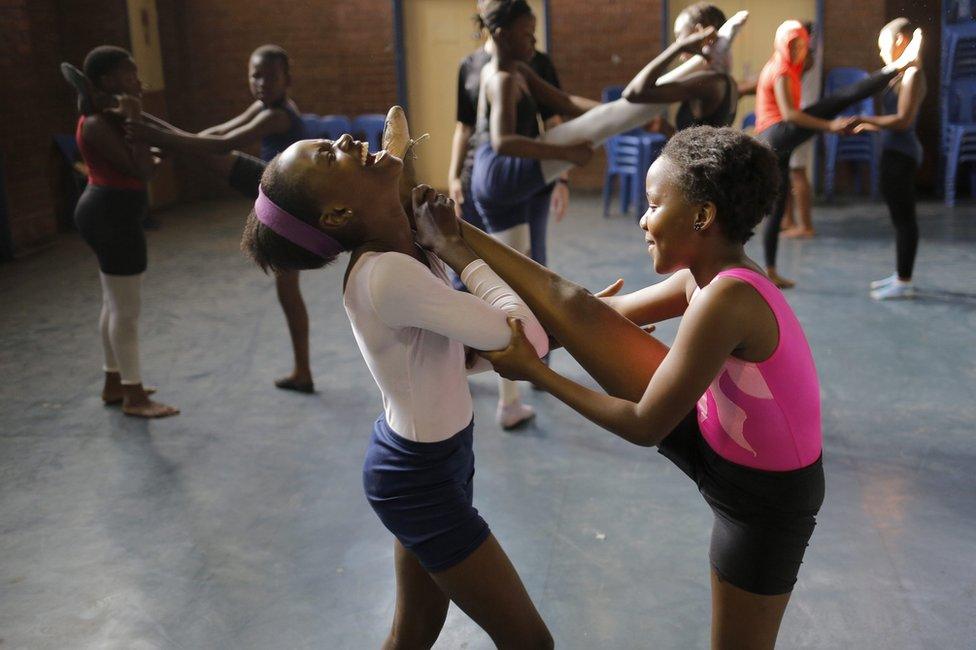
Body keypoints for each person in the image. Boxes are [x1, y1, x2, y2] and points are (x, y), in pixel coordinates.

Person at [414, 126, 823, 649]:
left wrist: (538, 372)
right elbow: (585, 310)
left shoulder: (729, 300)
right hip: (713, 438)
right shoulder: (701, 278)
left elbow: (644, 425)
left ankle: (455, 240)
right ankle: (455, 236)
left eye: (654, 204)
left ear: (702, 217)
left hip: (765, 504)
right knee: (579, 309)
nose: (643, 219)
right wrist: (556, 326)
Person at [239, 132, 556, 648]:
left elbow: (462, 354)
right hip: (419, 479)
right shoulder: (387, 274)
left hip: (436, 458)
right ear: (338, 215)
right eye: (329, 154)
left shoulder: (406, 251)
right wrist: (458, 249)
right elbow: (528, 341)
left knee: (414, 633)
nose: (344, 138)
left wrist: (581, 320)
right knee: (531, 643)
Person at [127, 45, 316, 393]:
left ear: (287, 79)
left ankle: (303, 369)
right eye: (255, 76)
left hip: (284, 197)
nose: (261, 83)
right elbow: (213, 135)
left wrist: (154, 136)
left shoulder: (279, 115)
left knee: (288, 291)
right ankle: (302, 371)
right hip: (277, 197)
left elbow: (224, 143)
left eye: (270, 76)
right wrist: (165, 138)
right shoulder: (263, 107)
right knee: (287, 291)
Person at [754, 21, 923, 288]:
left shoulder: (787, 66)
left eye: (802, 45)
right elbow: (790, 115)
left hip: (775, 141)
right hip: (778, 133)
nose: (799, 51)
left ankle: (770, 271)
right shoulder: (782, 69)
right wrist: (829, 126)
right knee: (839, 100)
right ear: (784, 45)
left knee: (777, 208)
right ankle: (897, 66)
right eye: (794, 46)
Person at [71, 46, 178, 418]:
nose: (137, 79)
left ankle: (114, 383)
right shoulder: (98, 123)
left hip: (110, 213)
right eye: (128, 73)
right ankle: (134, 396)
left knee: (113, 304)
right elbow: (143, 170)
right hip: (110, 217)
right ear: (106, 81)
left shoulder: (105, 116)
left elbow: (141, 159)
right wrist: (134, 120)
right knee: (126, 310)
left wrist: (132, 117)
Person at [855, 18, 927, 300]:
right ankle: (900, 275)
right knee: (899, 219)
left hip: (903, 153)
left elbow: (903, 120)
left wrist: (866, 118)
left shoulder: (912, 74)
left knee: (905, 219)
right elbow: (892, 120)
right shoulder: (900, 73)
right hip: (894, 151)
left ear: (901, 42)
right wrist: (866, 126)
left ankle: (905, 280)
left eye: (884, 46)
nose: (882, 53)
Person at [622, 3, 743, 131]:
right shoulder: (723, 80)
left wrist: (679, 47)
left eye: (680, 36)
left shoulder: (710, 82)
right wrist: (666, 129)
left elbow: (632, 93)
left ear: (698, 32)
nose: (679, 42)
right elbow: (698, 139)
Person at [781, 22, 820, 239]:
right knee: (788, 171)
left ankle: (805, 225)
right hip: (798, 118)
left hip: (802, 118)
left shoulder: (807, 59)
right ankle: (789, 219)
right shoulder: (805, 57)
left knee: (798, 171)